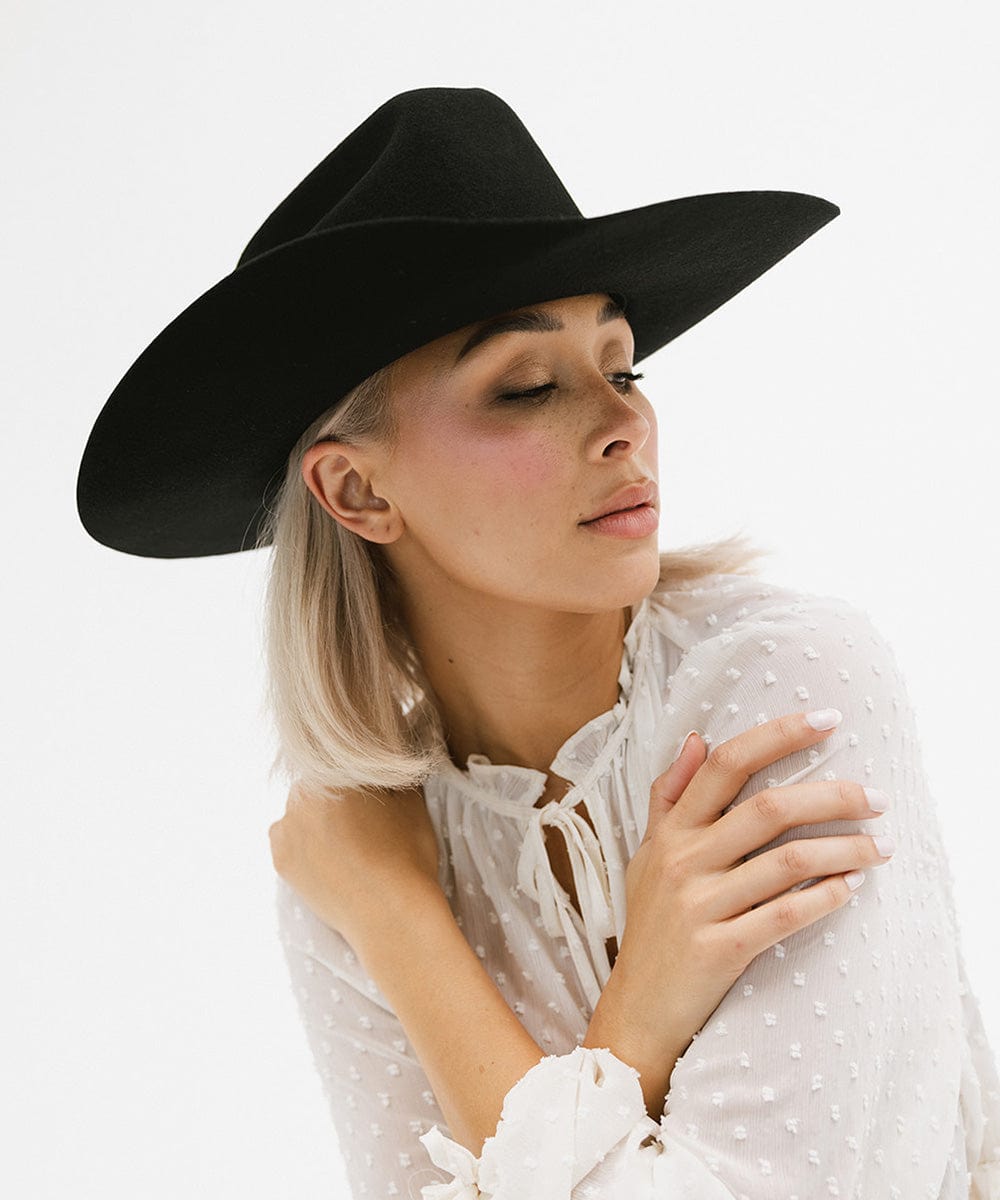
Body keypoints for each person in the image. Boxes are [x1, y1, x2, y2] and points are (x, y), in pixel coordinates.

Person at [75, 88, 1000, 1199]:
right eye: (525, 386)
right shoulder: (354, 853)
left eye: (623, 367)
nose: (623, 422)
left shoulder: (783, 683)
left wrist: (409, 938)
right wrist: (611, 1004)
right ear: (357, 489)